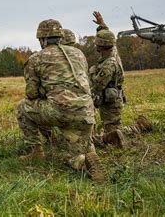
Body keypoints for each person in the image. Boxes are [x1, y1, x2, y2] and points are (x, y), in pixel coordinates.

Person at [16, 19, 106, 182]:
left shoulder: (36, 58)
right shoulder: (78, 54)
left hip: (60, 112)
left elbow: (31, 94)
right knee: (78, 148)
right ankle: (88, 157)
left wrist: (45, 92)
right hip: (87, 113)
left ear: (41, 39)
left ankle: (37, 152)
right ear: (60, 36)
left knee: (23, 107)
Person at [90, 12, 153, 147]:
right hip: (112, 99)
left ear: (100, 46)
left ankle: (139, 127)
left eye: (97, 43)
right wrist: (102, 25)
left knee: (113, 135)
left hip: (110, 101)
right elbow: (108, 37)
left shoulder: (108, 63)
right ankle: (138, 127)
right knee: (111, 131)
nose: (95, 44)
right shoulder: (112, 51)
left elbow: (97, 85)